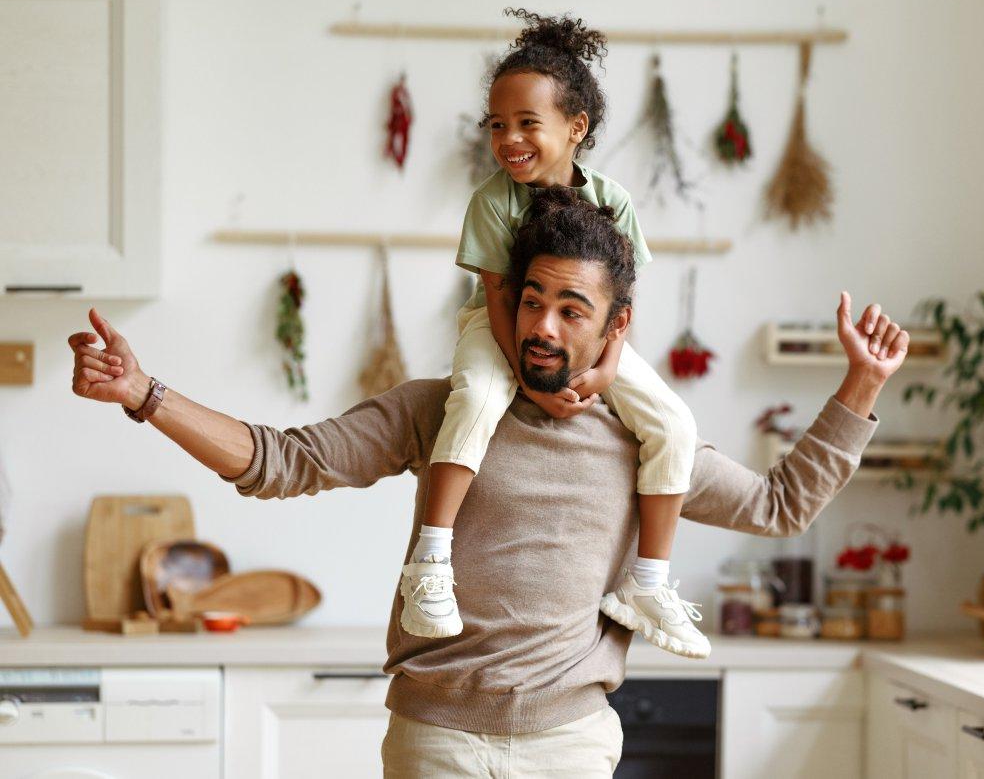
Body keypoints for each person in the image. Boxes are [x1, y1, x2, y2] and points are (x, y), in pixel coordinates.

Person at [68, 193, 909, 777]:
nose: (542, 324)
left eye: (571, 309)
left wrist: (862, 385)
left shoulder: (643, 440)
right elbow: (281, 460)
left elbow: (778, 502)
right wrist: (145, 395)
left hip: (570, 747)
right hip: (435, 743)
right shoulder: (442, 408)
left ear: (617, 327)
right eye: (532, 299)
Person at [420, 7, 705, 656]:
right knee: (476, 399)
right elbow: (499, 302)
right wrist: (531, 382)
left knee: (673, 425)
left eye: (527, 124)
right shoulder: (494, 201)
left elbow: (619, 306)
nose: (508, 139)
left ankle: (648, 582)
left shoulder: (614, 200)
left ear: (576, 128)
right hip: (499, 326)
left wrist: (604, 370)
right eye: (497, 125)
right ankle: (430, 562)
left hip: (588, 337)